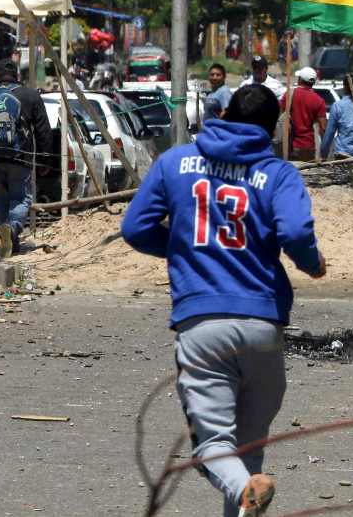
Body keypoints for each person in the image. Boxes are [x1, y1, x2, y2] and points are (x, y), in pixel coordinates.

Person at [121, 84, 327, 517]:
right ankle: (250, 489)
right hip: (263, 324)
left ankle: (249, 489)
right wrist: (312, 264)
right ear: (273, 128)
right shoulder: (279, 173)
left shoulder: (175, 162)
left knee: (215, 446)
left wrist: (182, 247)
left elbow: (136, 227)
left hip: (201, 322)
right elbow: (294, 233)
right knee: (248, 452)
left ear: (225, 112)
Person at [0, 60, 52, 258]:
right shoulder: (30, 95)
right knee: (22, 199)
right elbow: (43, 130)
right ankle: (13, 228)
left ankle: (10, 244)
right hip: (20, 157)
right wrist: (45, 160)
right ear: (17, 75)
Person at [279, 67, 327, 162]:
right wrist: (322, 149)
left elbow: (279, 115)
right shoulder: (319, 100)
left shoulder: (290, 94)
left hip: (291, 145)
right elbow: (323, 127)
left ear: (300, 79)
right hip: (309, 147)